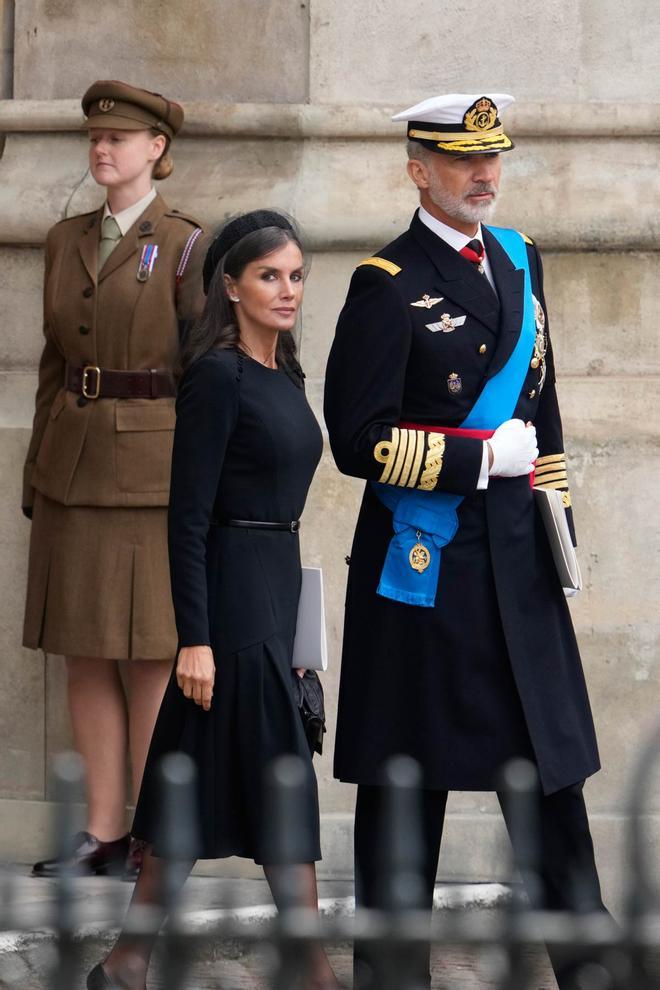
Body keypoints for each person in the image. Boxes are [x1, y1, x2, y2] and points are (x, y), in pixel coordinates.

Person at [324, 93, 607, 988]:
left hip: (517, 574)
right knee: (407, 800)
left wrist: (558, 532)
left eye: (492, 158)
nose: (483, 175)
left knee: (553, 791)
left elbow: (544, 415)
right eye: (461, 161)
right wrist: (476, 459)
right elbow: (356, 440)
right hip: (426, 579)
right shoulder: (384, 283)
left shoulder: (521, 262)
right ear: (419, 169)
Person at [86, 210, 338, 990]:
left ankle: (127, 962)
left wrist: (300, 633)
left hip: (274, 585)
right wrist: (192, 638)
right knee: (280, 780)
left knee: (196, 779)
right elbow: (187, 516)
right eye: (269, 275)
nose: (287, 289)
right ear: (230, 286)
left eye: (296, 275)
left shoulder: (284, 370)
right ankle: (313, 973)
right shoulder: (218, 376)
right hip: (228, 607)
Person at [23, 80, 207, 880]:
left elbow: (209, 373)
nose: (104, 151)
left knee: (149, 657)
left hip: (153, 473)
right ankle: (99, 832)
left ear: (156, 150)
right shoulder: (65, 239)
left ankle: (150, 835)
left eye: (121, 140)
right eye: (97, 140)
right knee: (83, 652)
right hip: (73, 465)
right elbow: (54, 363)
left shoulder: (190, 243)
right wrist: (37, 465)